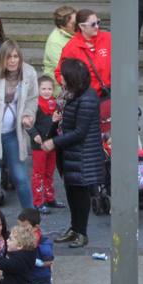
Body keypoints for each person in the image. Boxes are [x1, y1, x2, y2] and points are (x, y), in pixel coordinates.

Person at [49, 57, 102, 249]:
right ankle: (74, 228)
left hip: (82, 155)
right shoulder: (69, 95)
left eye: (63, 76)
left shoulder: (87, 98)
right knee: (71, 193)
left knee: (80, 195)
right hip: (69, 153)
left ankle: (82, 232)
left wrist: (53, 142)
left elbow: (80, 132)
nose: (60, 79)